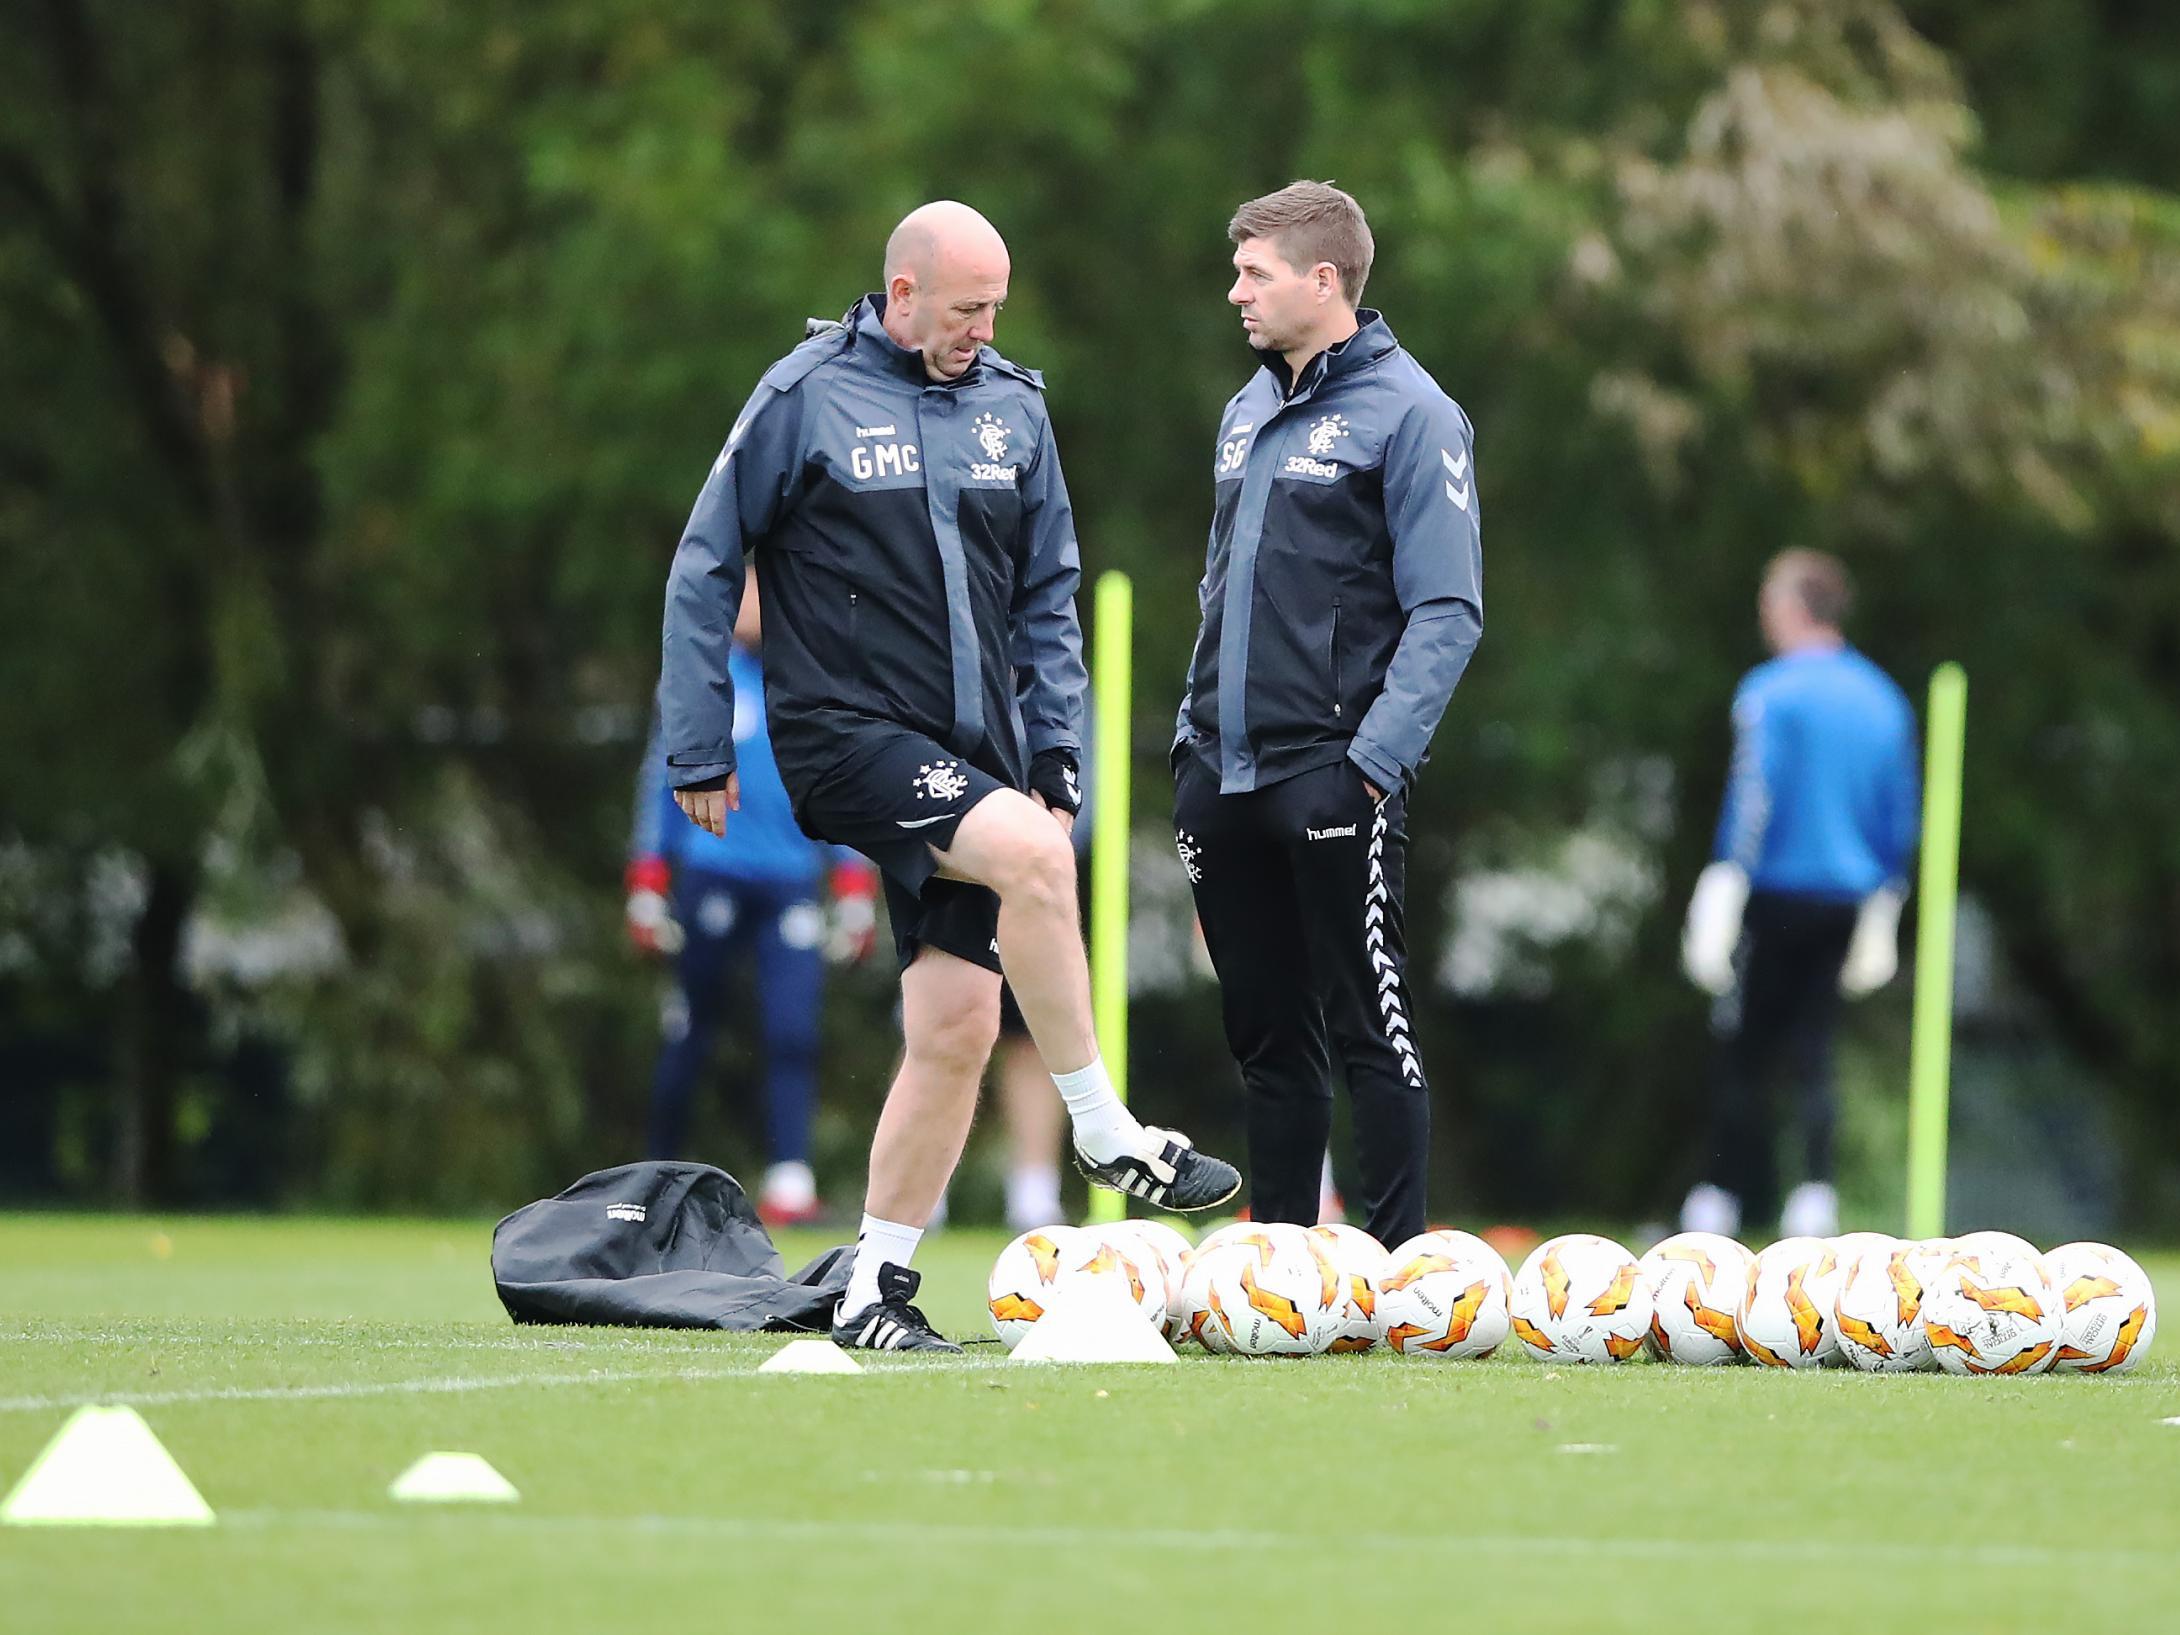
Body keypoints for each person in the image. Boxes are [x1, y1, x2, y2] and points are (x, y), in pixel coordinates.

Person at [658, 200, 1241, 1353]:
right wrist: (698, 744)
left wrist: (1059, 746)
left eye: (996, 308)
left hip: (976, 756)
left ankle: (874, 1286)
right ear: (904, 291)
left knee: (961, 1024)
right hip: (842, 735)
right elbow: (704, 560)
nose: (983, 327)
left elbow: (1046, 595)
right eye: (967, 307)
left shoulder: (1013, 407)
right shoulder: (804, 394)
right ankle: (1104, 1128)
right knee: (1032, 851)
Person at [1171, 181, 1484, 1250]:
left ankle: (1400, 1277)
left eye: (1252, 275)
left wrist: (1372, 764)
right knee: (1266, 1041)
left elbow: (1448, 613)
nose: (1234, 294)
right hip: (1220, 775)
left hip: (1332, 774)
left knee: (1368, 1032)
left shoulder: (1414, 412)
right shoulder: (1245, 407)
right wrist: (1189, 741)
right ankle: (1279, 1266)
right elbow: (1221, 588)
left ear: (1322, 279)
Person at [1680, 549, 1919, 1239]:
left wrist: (1725, 877)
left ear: (1791, 607)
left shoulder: (1770, 690)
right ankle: (1815, 1198)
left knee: (1744, 1050)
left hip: (1776, 894)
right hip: (1848, 900)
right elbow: (1898, 810)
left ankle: (1718, 1199)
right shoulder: (1883, 697)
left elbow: (1755, 793)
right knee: (1816, 1050)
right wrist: (1888, 894)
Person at [626, 575, 877, 1226]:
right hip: (712, 872)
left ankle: (791, 1182)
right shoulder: (700, 673)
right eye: (745, 592)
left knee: (792, 1029)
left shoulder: (817, 676)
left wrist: (853, 883)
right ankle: (656, 1177)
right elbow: (664, 772)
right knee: (690, 1029)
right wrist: (648, 881)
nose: (754, 606)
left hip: (790, 876)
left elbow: (847, 776)